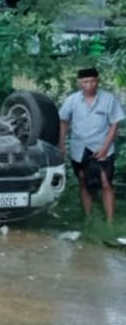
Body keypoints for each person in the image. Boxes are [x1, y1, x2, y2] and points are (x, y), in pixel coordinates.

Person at [58, 67, 125, 225]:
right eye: (86, 81)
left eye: (93, 81)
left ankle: (110, 221)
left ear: (98, 81)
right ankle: (88, 217)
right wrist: (61, 144)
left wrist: (105, 148)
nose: (90, 85)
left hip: (102, 146)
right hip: (79, 147)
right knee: (83, 181)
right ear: (79, 83)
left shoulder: (108, 99)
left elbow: (115, 124)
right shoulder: (72, 100)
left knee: (106, 182)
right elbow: (64, 121)